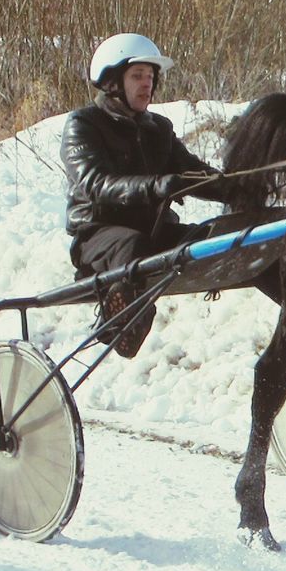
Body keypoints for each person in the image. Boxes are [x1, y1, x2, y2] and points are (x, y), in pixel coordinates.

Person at [61, 32, 224, 357]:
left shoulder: (158, 128)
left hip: (154, 234)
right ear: (111, 81)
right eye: (137, 75)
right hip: (99, 237)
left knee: (214, 236)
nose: (147, 83)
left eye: (151, 77)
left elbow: (193, 172)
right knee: (132, 243)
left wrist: (242, 183)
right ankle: (122, 321)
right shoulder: (83, 124)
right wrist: (158, 185)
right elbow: (95, 184)